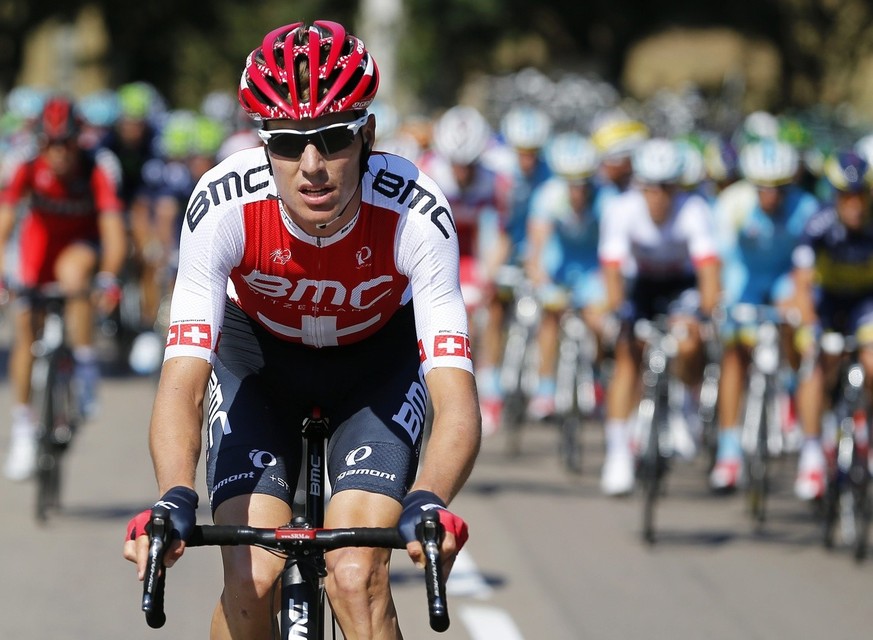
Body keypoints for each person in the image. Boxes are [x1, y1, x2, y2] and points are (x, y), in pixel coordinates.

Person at [122, 21, 479, 640]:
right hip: (258, 364)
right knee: (250, 577)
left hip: (375, 370)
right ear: (263, 147)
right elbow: (182, 377)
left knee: (355, 575)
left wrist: (431, 499)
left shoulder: (416, 211)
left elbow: (455, 397)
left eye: (334, 139)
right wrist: (174, 495)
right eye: (287, 144)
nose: (312, 166)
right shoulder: (223, 205)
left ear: (367, 134)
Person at [0, 95, 126, 480]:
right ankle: (23, 427)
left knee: (74, 275)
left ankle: (86, 368)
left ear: (78, 141)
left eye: (66, 143)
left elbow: (113, 232)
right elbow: (5, 223)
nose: (59, 153)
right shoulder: (24, 164)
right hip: (37, 246)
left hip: (81, 246)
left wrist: (108, 277)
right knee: (24, 329)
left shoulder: (97, 167)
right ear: (40, 142)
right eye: (51, 144)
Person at [598, 138, 720, 496]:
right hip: (642, 286)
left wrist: (705, 314)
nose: (658, 196)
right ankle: (618, 454)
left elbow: (709, 271)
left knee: (690, 340)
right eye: (651, 187)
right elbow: (612, 270)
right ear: (641, 186)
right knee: (626, 355)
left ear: (677, 187)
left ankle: (684, 406)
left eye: (667, 187)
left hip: (681, 286)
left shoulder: (694, 210)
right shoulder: (621, 209)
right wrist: (618, 309)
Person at [708, 138, 819, 492]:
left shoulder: (807, 207)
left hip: (785, 279)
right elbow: (719, 260)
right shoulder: (733, 203)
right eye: (763, 188)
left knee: (801, 335)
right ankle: (728, 450)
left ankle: (791, 390)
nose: (771, 196)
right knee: (734, 353)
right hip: (745, 278)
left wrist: (801, 305)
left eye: (779, 188)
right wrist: (720, 300)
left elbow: (808, 268)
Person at [791, 150, 873, 501]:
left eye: (860, 196)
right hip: (826, 305)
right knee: (814, 367)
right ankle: (811, 453)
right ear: (834, 196)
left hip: (865, 303)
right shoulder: (818, 223)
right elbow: (802, 282)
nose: (854, 205)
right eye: (845, 196)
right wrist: (810, 325)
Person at [475, 104, 552, 433]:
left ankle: (546, 382)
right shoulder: (500, 172)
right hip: (501, 245)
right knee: (493, 305)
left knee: (551, 308)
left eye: (534, 152)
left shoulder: (551, 173)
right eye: (522, 152)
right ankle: (490, 383)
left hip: (538, 248)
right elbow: (496, 224)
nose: (528, 159)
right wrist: (490, 270)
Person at [524, 131, 608, 419]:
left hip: (592, 268)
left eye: (584, 183)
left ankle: (597, 377)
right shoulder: (548, 195)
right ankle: (546, 389)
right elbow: (536, 250)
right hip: (557, 265)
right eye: (571, 184)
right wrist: (541, 280)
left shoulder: (605, 198)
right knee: (550, 316)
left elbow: (613, 250)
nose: (578, 192)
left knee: (599, 321)